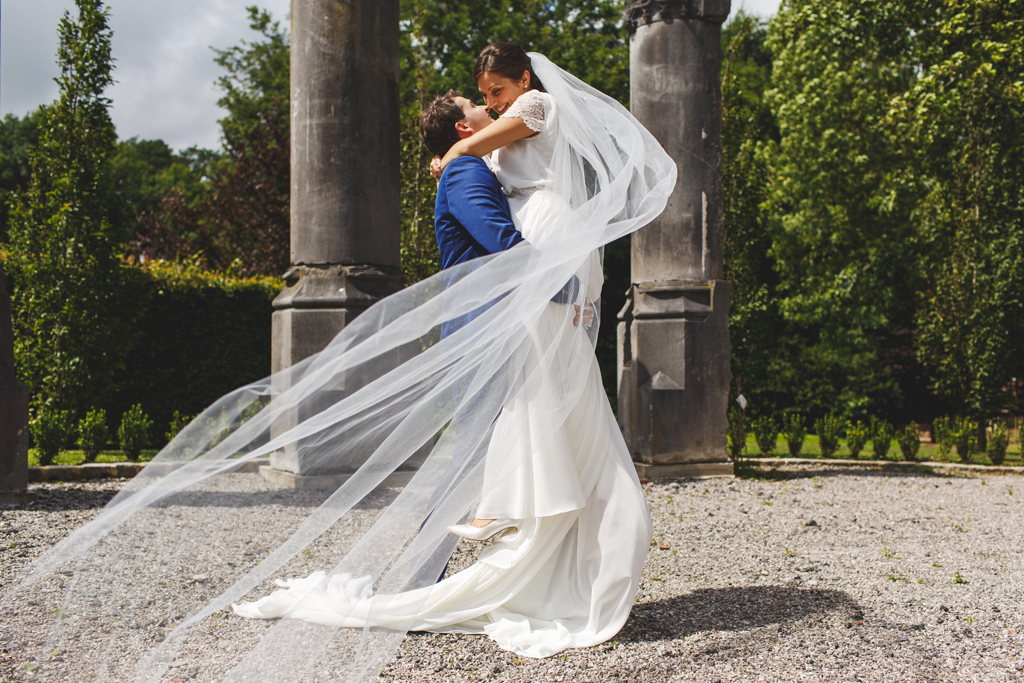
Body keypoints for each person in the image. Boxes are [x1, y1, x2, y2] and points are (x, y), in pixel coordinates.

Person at [12, 44, 676, 682]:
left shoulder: (511, 132)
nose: (486, 108)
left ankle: (509, 562)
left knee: (493, 445)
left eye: (491, 96)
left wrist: (551, 261)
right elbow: (502, 242)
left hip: (521, 309)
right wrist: (555, 279)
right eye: (476, 104)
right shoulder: (474, 168)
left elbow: (511, 195)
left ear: (522, 82)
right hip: (499, 318)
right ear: (457, 125)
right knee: (474, 449)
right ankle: (433, 578)